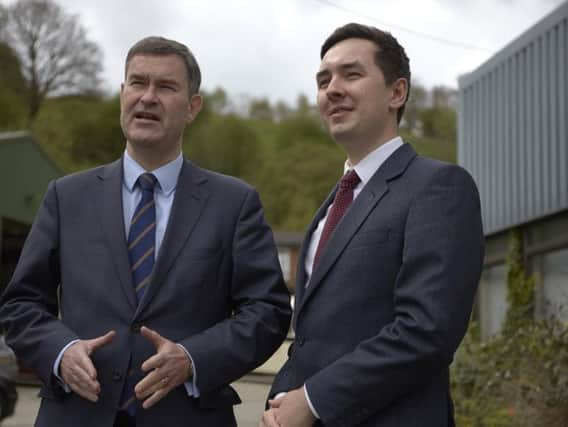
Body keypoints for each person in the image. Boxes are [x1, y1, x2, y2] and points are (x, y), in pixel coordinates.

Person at [0, 36, 291, 427]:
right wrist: (61, 351)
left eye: (166, 87)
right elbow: (20, 305)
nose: (148, 97)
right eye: (138, 83)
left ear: (192, 107)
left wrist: (192, 359)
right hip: (76, 414)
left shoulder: (234, 203)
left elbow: (267, 312)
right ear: (123, 94)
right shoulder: (66, 197)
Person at [262, 23, 484, 427]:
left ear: (396, 93)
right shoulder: (330, 208)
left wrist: (312, 400)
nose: (332, 88)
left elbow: (426, 331)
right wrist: (282, 399)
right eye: (323, 79)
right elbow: (313, 339)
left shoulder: (439, 187)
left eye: (352, 74)